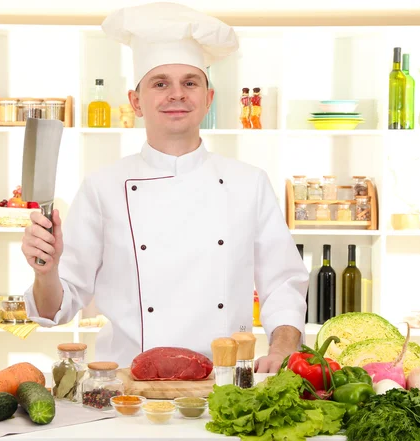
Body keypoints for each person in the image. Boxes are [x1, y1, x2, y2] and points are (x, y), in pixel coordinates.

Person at [21, 1, 308, 373]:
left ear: (208, 99)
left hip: (224, 384)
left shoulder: (249, 183)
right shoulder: (102, 187)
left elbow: (283, 281)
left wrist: (284, 346)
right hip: (125, 387)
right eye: (160, 83)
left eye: (190, 83)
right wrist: (46, 271)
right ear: (136, 102)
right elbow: (54, 310)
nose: (177, 94)